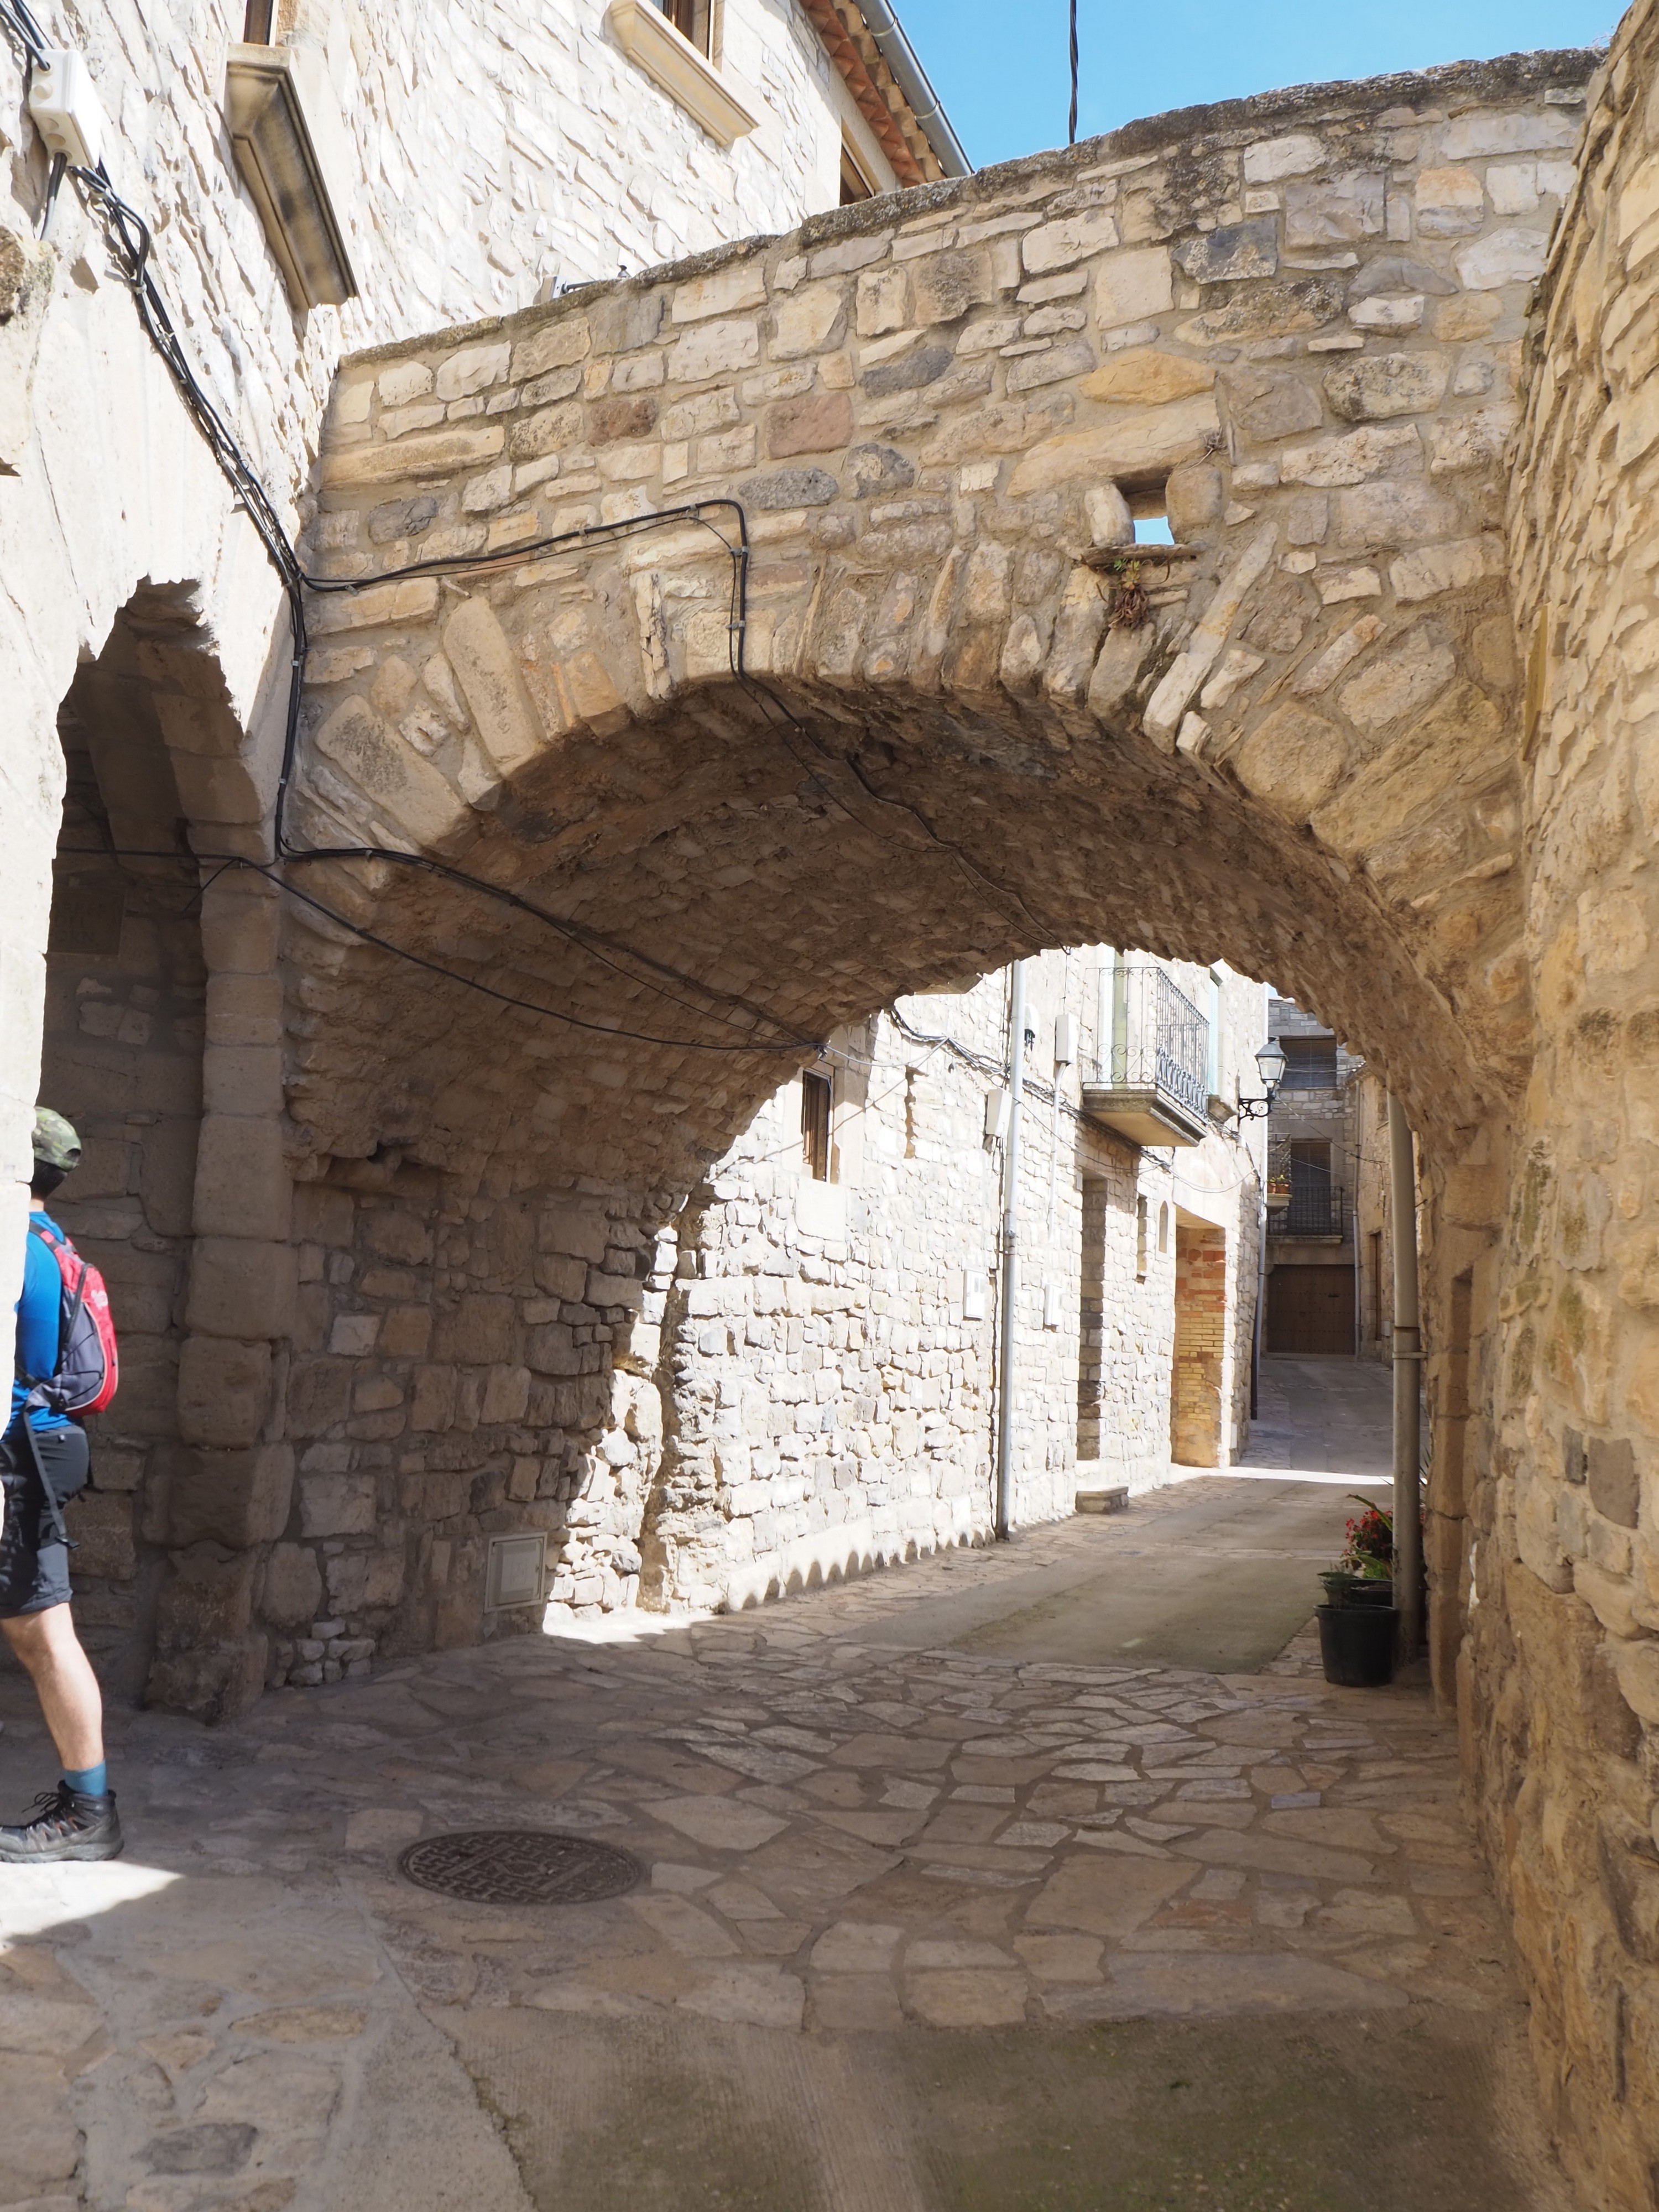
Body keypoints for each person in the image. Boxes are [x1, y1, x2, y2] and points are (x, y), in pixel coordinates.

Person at [0, 1109, 121, 1861]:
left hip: (27, 1454)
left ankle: (89, 1813)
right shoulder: (48, 1241)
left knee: (44, 1632)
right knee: (35, 1630)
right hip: (44, 1447)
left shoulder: (14, 1245)